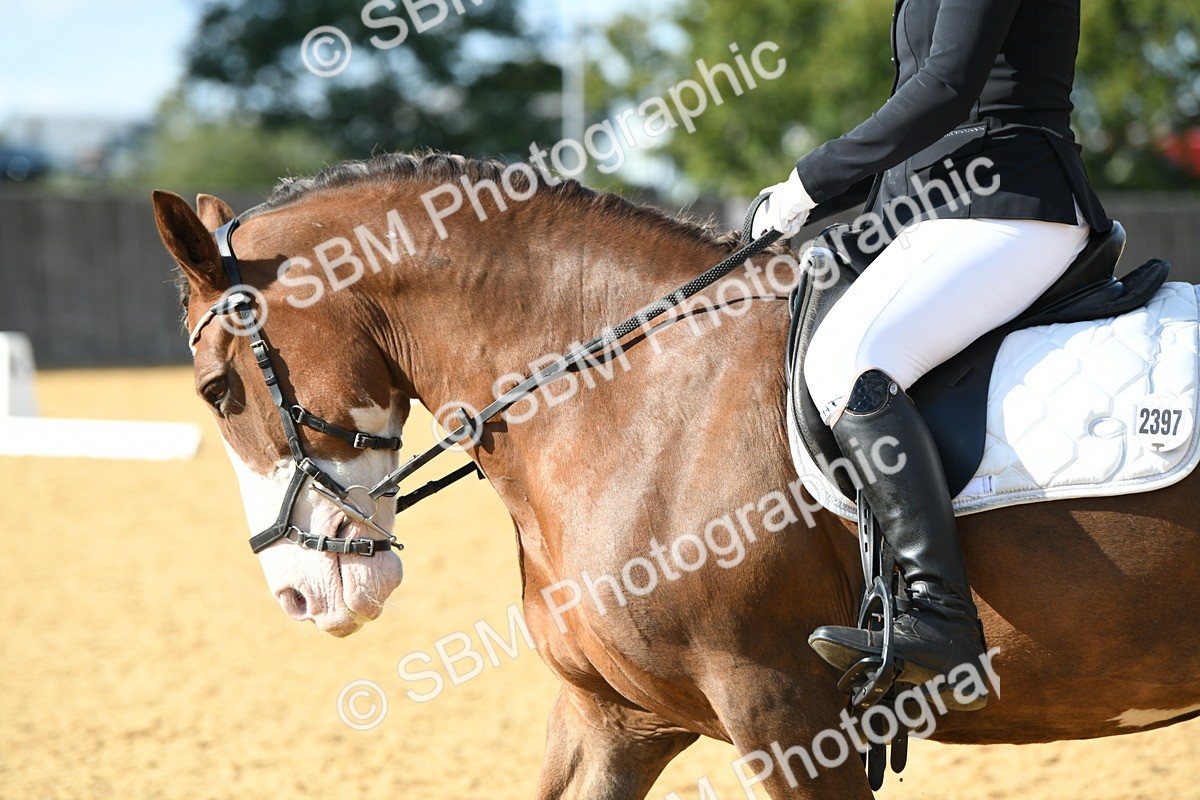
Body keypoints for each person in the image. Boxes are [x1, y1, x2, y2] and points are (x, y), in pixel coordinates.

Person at [751, 0, 1110, 708]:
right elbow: (913, 133)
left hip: (1009, 202)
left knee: (849, 361)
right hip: (938, 214)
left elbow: (946, 89)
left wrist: (809, 180)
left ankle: (941, 614)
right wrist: (798, 205)